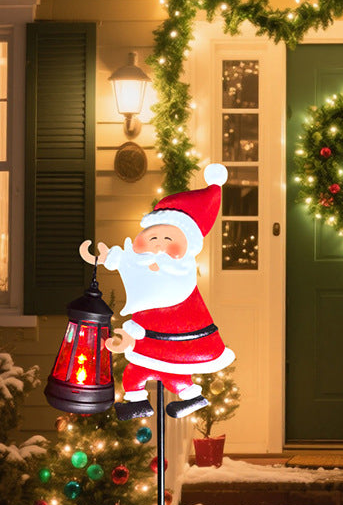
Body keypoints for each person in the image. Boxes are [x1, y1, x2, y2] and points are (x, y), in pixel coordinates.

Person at [80, 163, 234, 420]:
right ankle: (140, 403)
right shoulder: (143, 265)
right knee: (135, 373)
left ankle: (191, 397)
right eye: (153, 238)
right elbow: (130, 262)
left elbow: (144, 280)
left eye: (168, 240)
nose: (159, 245)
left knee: (172, 374)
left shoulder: (179, 277)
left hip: (179, 342)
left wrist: (133, 333)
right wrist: (106, 258)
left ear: (187, 245)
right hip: (147, 341)